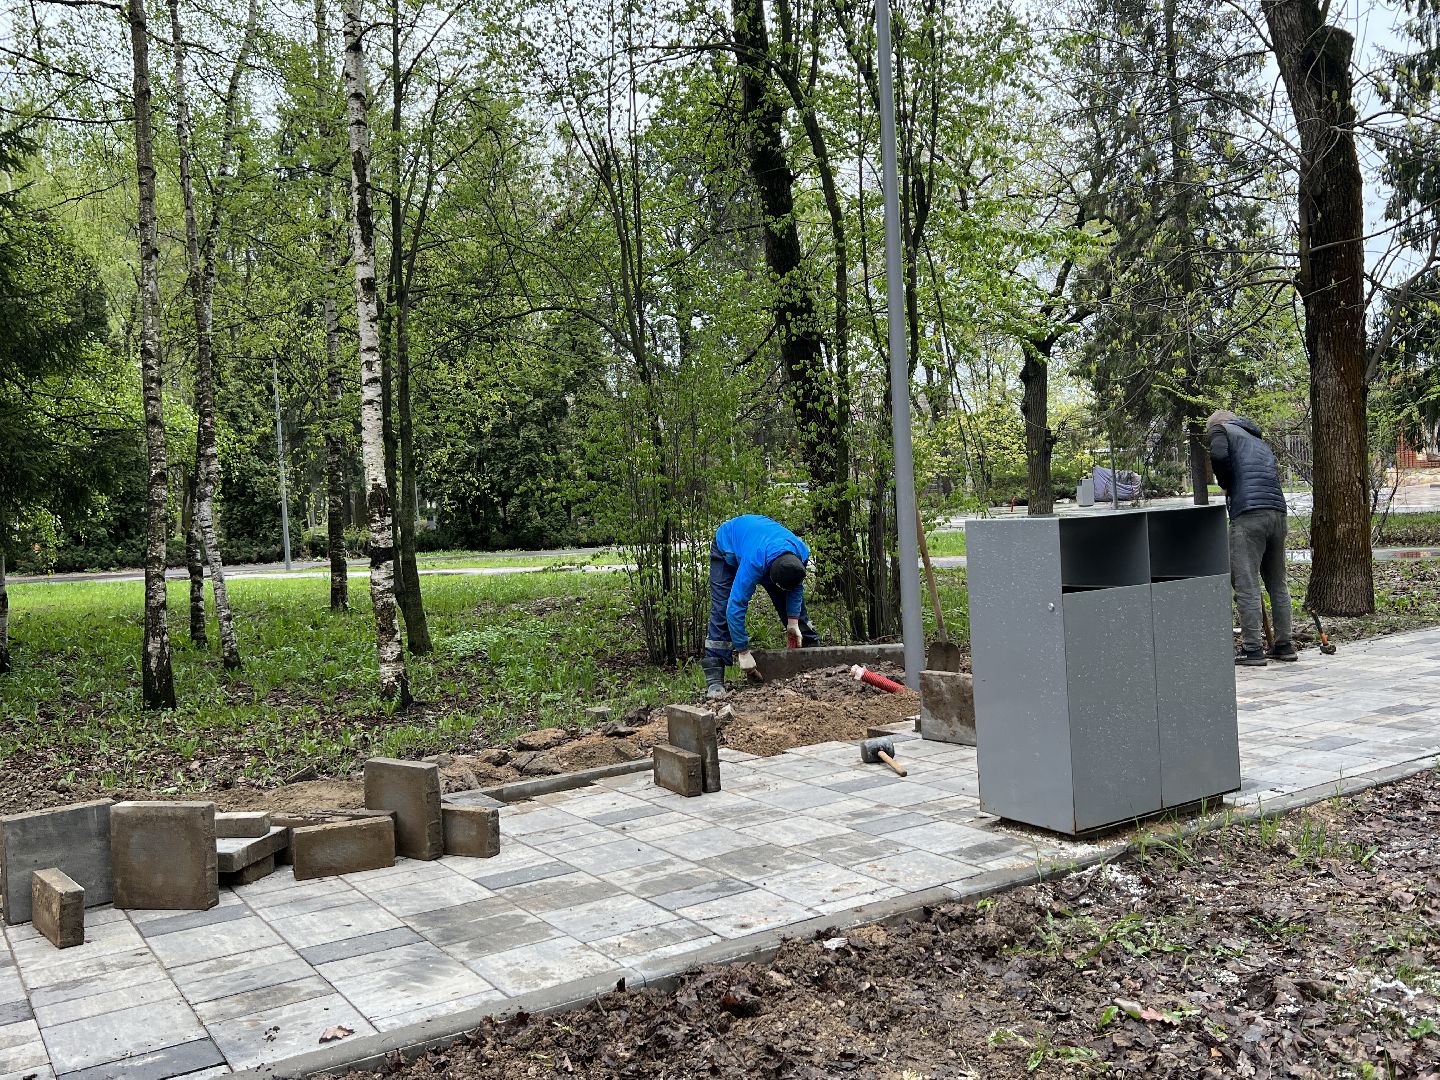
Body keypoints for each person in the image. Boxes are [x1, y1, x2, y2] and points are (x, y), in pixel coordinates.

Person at [1206, 410, 1295, 666]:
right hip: (1277, 512)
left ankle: (1252, 649)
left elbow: (1219, 456)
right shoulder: (1258, 439)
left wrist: (1226, 483)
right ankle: (1284, 645)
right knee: (1278, 582)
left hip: (1248, 514)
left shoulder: (1221, 430)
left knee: (1247, 583)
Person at [701, 514, 821, 698]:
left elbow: (795, 588)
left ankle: (812, 658)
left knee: (790, 598)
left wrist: (793, 622)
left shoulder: (800, 552)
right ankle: (715, 681)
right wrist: (743, 651)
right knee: (722, 609)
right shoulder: (753, 563)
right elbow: (735, 607)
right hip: (728, 547)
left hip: (767, 547)